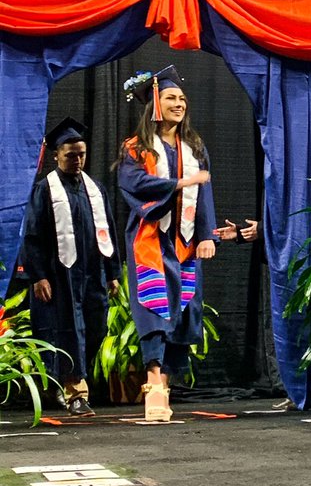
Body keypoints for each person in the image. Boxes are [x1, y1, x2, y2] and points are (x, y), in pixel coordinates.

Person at [117, 66, 217, 422]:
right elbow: (135, 185)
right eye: (172, 98)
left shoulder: (195, 147)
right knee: (154, 305)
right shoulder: (136, 147)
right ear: (155, 104)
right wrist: (178, 184)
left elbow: (204, 192)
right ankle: (153, 383)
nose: (179, 104)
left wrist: (206, 234)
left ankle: (167, 383)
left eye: (182, 99)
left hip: (185, 241)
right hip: (150, 239)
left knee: (184, 308)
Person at [20, 118, 120, 416]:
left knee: (95, 328)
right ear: (56, 156)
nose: (78, 160)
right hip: (60, 273)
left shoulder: (95, 189)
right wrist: (38, 276)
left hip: (92, 272)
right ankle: (76, 392)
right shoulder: (45, 190)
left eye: (82, 154)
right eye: (71, 155)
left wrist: (113, 272)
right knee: (69, 330)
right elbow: (33, 236)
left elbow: (108, 231)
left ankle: (62, 385)